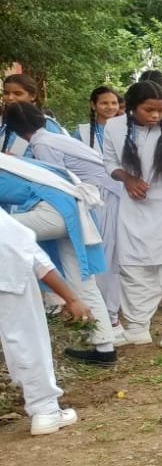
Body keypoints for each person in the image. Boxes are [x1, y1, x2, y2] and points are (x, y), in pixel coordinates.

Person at [0, 107, 118, 365]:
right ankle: (105, 348)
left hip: (55, 212)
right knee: (82, 279)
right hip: (71, 210)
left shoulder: (18, 154)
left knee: (6, 238)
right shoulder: (13, 158)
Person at [21, 100, 129, 346]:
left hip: (97, 197)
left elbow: (56, 184)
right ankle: (106, 327)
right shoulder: (50, 137)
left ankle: (111, 322)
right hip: (94, 196)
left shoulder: (43, 144)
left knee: (99, 263)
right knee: (97, 264)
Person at [100, 80, 162, 348]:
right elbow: (109, 162)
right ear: (131, 108)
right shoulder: (114, 127)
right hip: (133, 208)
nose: (156, 116)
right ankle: (137, 327)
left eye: (160, 110)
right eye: (149, 110)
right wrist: (127, 178)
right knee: (134, 268)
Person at [0, 208, 95, 436]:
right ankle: (46, 410)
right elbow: (35, 258)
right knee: (27, 340)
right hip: (9, 277)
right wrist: (71, 299)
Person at [1, 74, 70, 156]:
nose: (10, 98)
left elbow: (59, 160)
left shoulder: (46, 124)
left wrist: (18, 160)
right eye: (6, 93)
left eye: (18, 93)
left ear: (33, 96)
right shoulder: (4, 125)